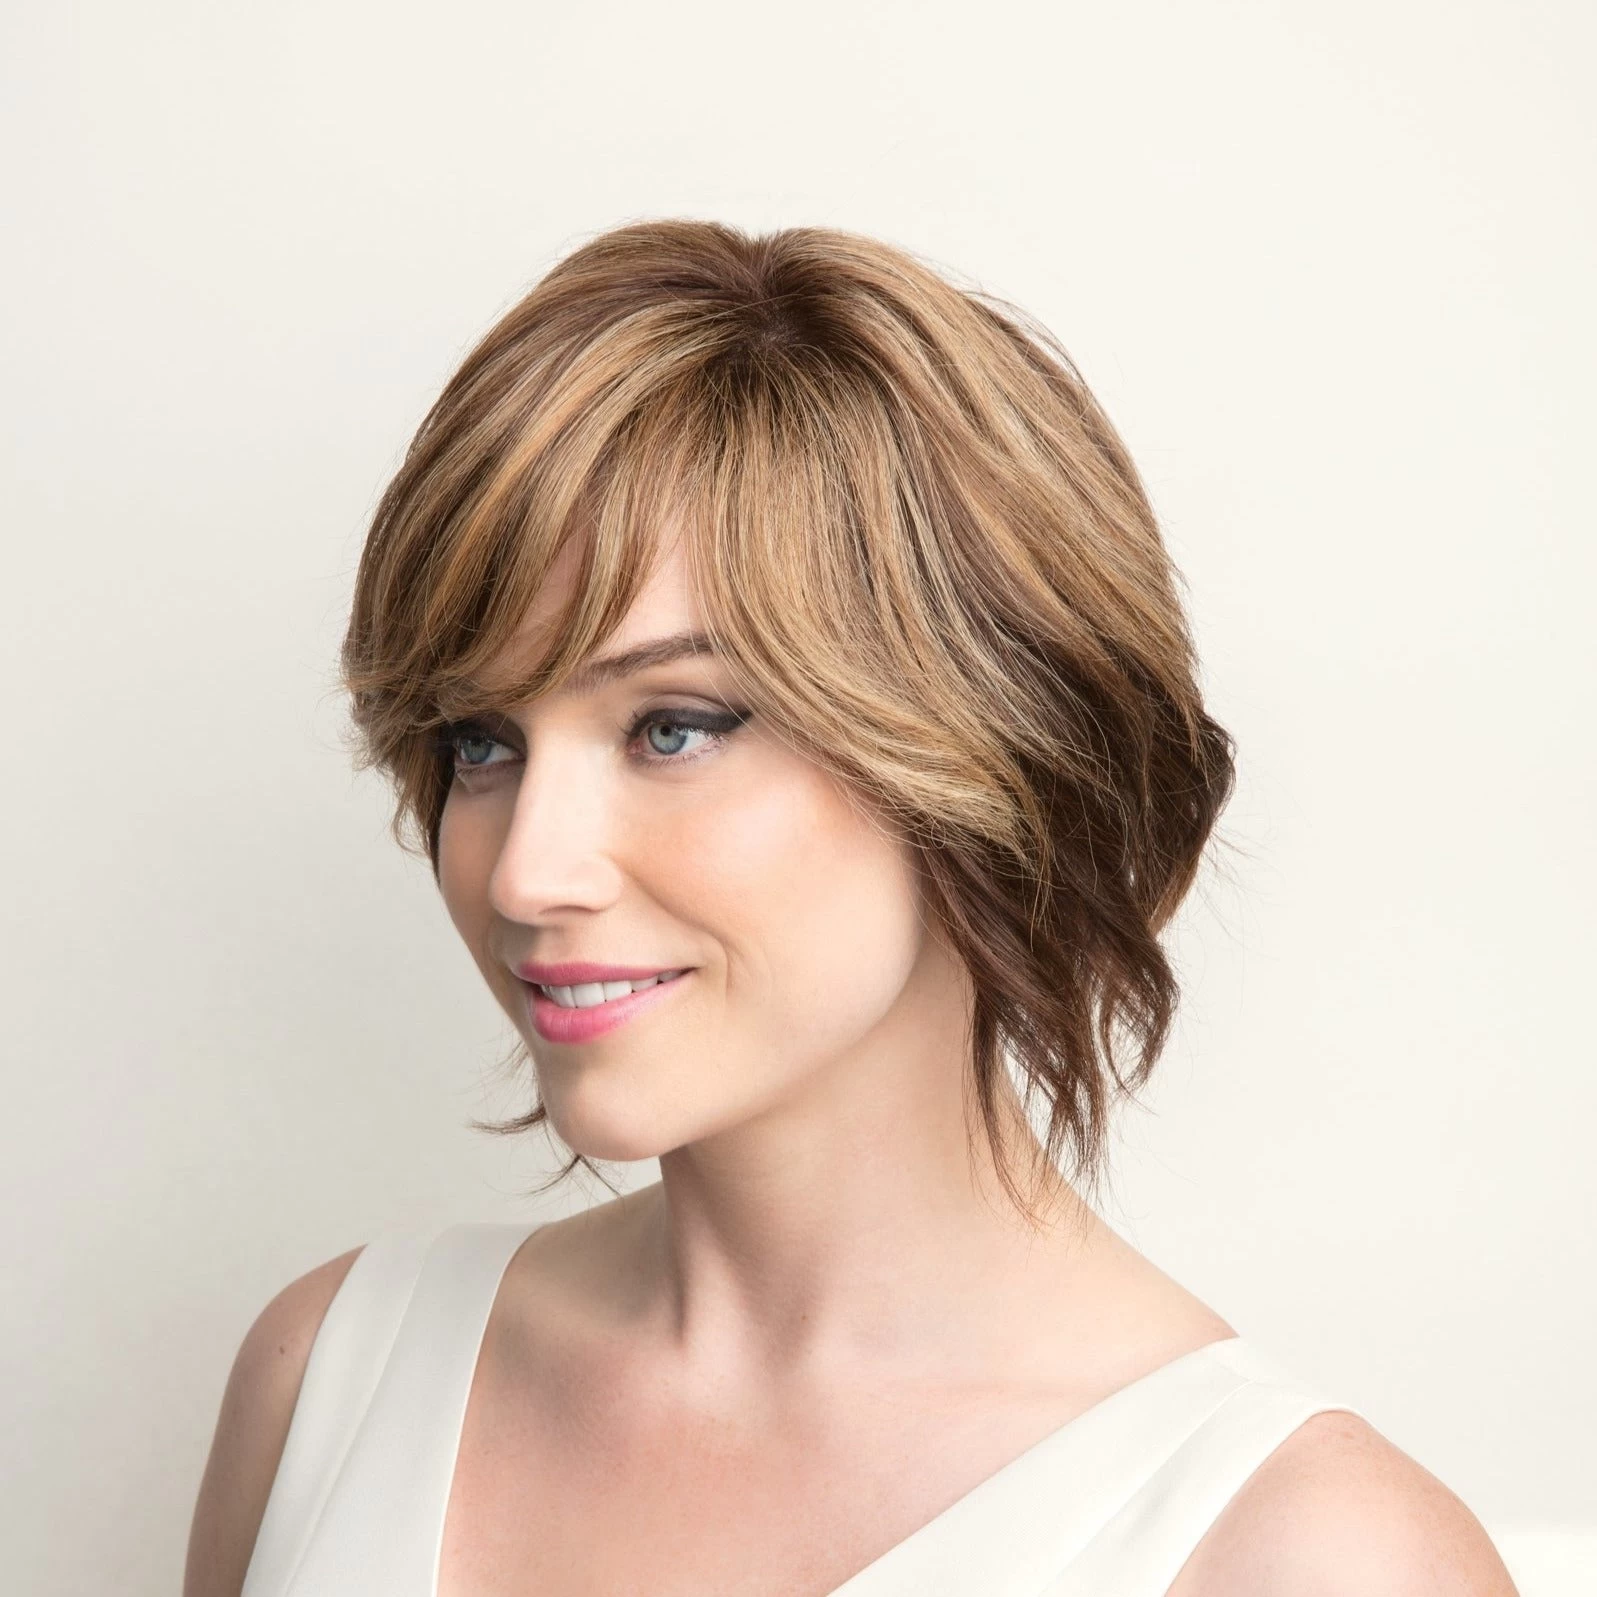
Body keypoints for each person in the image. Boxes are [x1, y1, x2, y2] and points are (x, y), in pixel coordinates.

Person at [183, 220, 1516, 1596]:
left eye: (673, 729)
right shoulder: (329, 1381)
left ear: (983, 751)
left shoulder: (1307, 1556)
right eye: (482, 743)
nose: (526, 873)